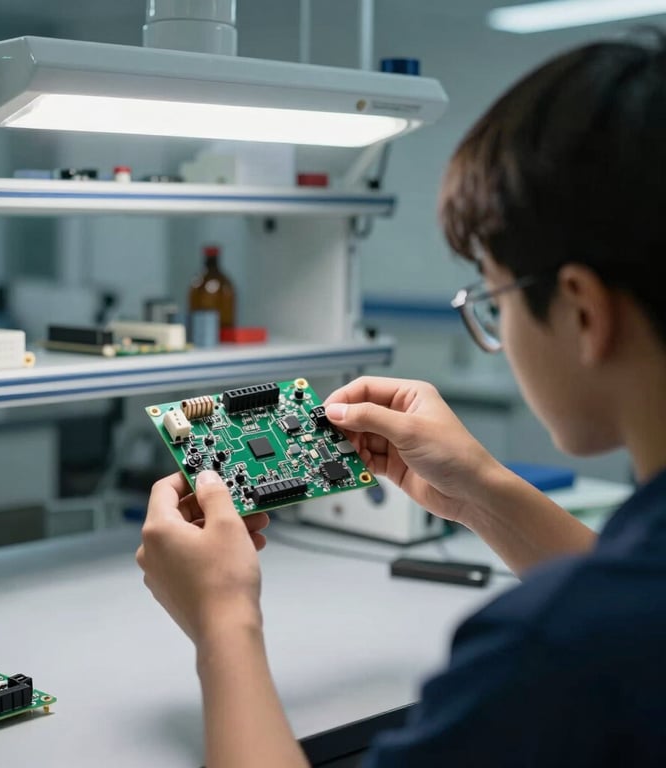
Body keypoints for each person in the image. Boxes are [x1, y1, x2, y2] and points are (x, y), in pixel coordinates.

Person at [136, 31, 666, 767]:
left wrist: (223, 619)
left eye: (494, 293)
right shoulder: (618, 602)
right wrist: (480, 491)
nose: (496, 326)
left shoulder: (547, 649)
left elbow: (604, 622)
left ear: (581, 309)